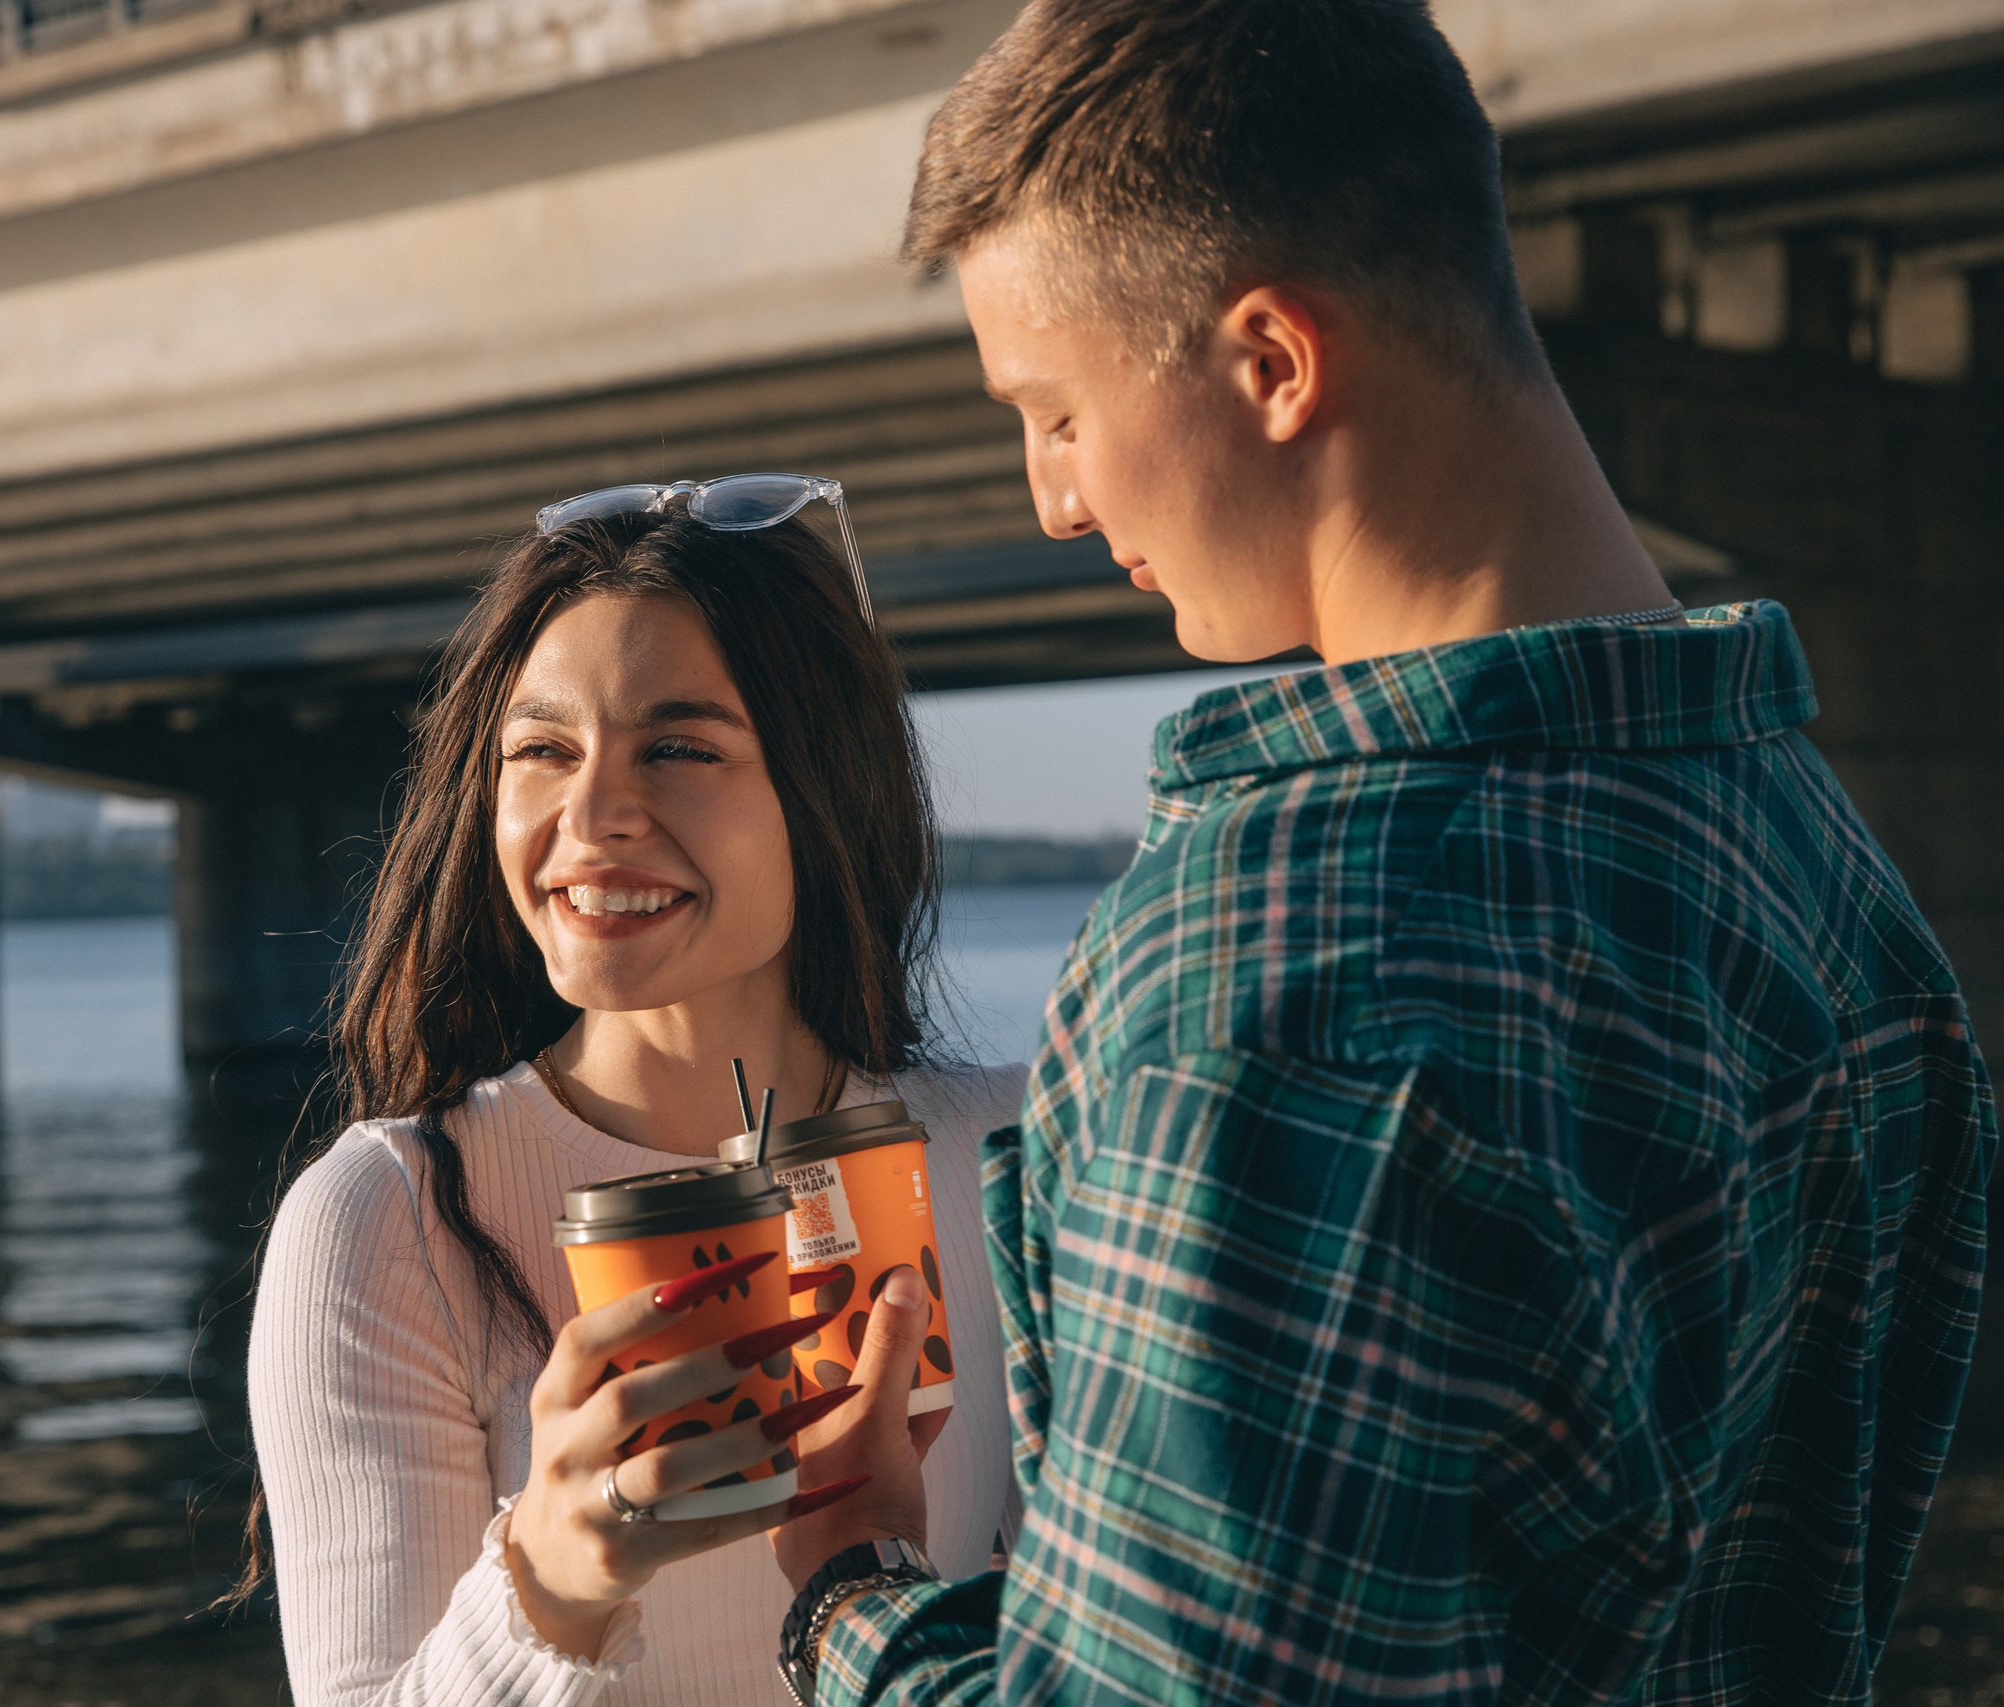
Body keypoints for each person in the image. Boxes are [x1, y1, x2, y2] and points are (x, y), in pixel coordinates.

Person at [766, 2, 1998, 1704]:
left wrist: (850, 1593)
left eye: (1052, 410)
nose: (1049, 497)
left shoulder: (1269, 978)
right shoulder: (1810, 860)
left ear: (1270, 360)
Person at [242, 495, 1025, 1705]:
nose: (592, 815)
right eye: (543, 751)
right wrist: (549, 1583)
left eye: (678, 748)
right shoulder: (386, 1217)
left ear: (827, 791)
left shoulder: (1016, 1153)